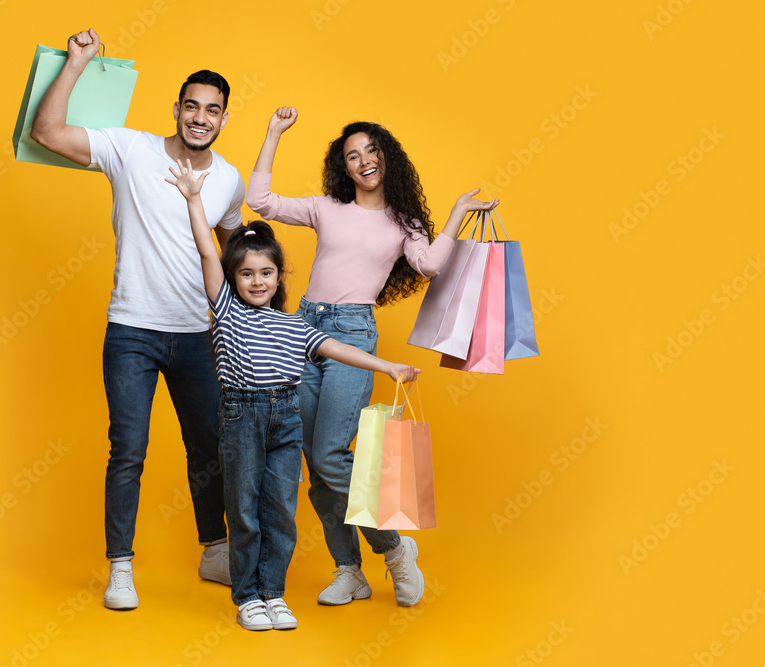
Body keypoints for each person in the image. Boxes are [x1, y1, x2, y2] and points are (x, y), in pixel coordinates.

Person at [246, 107, 499, 607]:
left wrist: (455, 214)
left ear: (387, 157)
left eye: (370, 151)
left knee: (330, 456)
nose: (362, 160)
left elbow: (428, 264)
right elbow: (261, 202)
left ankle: (395, 548)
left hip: (353, 335)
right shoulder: (326, 208)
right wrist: (274, 132)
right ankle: (350, 572)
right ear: (343, 167)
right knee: (317, 469)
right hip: (303, 331)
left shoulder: (402, 222)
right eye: (351, 155)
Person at [29, 28, 245, 610]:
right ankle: (120, 568)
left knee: (209, 445)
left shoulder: (228, 180)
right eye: (192, 106)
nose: (201, 117)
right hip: (132, 330)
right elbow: (45, 132)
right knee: (128, 447)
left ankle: (216, 551)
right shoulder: (129, 149)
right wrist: (76, 64)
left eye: (213, 111)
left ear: (223, 120)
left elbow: (226, 252)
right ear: (175, 109)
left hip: (198, 335)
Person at [166, 158, 420, 630]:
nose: (257, 281)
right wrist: (194, 199)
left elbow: (339, 348)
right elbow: (207, 253)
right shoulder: (225, 310)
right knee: (244, 510)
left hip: (284, 418)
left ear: (280, 277)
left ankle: (273, 593)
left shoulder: (293, 326)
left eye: (266, 273)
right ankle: (248, 598)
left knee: (281, 510)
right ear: (233, 280)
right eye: (247, 274)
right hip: (241, 418)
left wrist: (388, 366)